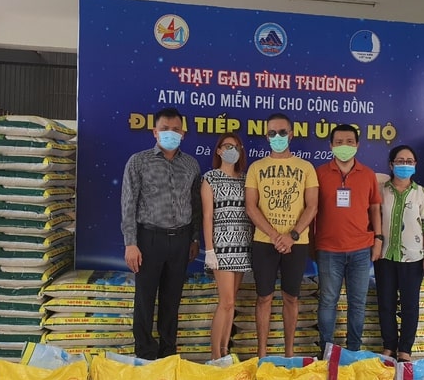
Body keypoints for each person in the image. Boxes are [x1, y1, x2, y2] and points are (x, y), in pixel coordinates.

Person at [120, 107, 202, 360]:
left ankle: (168, 353)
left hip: (181, 241)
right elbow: (128, 204)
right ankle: (145, 354)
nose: (170, 133)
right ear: (155, 132)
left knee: (171, 300)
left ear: (183, 133)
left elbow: (195, 204)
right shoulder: (139, 161)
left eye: (175, 129)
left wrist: (194, 238)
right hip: (148, 240)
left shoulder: (191, 164)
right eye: (164, 129)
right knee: (145, 300)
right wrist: (130, 244)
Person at [245, 113, 319, 357]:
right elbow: (251, 207)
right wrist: (276, 235)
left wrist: (292, 235)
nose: (277, 137)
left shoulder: (306, 167)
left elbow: (312, 206)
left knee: (291, 298)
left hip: (296, 243)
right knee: (264, 298)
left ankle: (289, 354)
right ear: (266, 136)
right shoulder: (256, 167)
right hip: (264, 242)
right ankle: (262, 354)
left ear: (292, 134)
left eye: (282, 132)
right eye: (272, 133)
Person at [314, 124, 382, 353]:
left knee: (357, 303)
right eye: (339, 142)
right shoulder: (319, 173)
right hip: (328, 249)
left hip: (361, 249)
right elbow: (310, 210)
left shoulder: (369, 175)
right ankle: (327, 351)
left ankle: (353, 350)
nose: (345, 146)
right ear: (331, 145)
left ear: (358, 145)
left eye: (350, 142)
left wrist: (379, 239)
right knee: (327, 302)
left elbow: (374, 209)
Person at [374, 144, 424, 363]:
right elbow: (374, 219)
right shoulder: (381, 191)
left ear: (415, 165)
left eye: (409, 161)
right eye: (400, 161)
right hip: (385, 256)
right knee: (386, 303)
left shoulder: (422, 194)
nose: (405, 165)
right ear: (391, 165)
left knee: (410, 305)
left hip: (413, 258)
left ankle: (405, 349)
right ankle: (389, 346)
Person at [202, 132, 253, 360]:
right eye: (227, 146)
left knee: (232, 303)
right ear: (219, 150)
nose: (232, 149)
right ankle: (214, 356)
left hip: (242, 245)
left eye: (236, 146)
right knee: (226, 301)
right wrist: (209, 250)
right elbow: (207, 216)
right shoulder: (210, 178)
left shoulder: (245, 179)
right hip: (221, 247)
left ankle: (225, 351)